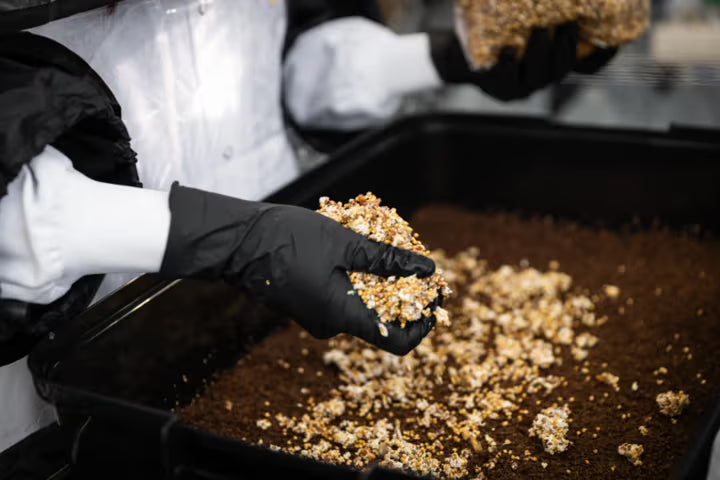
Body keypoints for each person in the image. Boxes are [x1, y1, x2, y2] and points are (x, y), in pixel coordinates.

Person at [0, 0, 616, 457]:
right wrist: (226, 235)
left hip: (268, 314)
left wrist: (431, 57)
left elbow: (264, 60)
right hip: (70, 372)